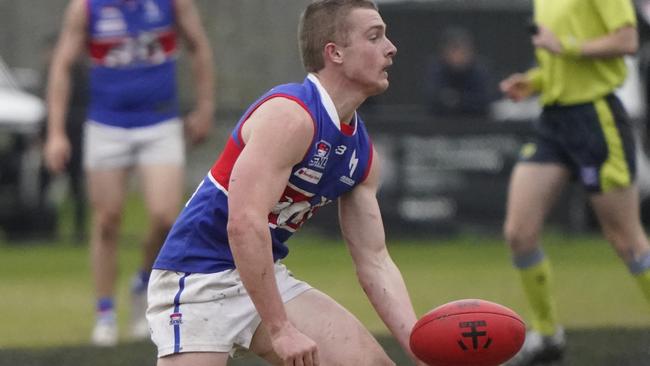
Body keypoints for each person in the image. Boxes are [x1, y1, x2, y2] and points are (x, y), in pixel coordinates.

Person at [146, 1, 426, 365]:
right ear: (335, 53)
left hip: (262, 275)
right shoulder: (290, 116)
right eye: (375, 36)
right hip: (196, 278)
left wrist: (422, 350)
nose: (391, 47)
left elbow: (375, 261)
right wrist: (280, 329)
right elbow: (243, 223)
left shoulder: (360, 151)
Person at [44, 0, 215, 347]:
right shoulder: (86, 8)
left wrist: (205, 106)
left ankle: (142, 283)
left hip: (159, 121)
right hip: (106, 125)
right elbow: (61, 65)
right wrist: (55, 133)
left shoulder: (172, 4)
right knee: (107, 219)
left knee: (165, 216)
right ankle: (105, 312)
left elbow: (199, 48)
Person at [499, 0, 650, 365]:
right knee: (519, 233)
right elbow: (558, 59)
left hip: (596, 117)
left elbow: (627, 41)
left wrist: (564, 46)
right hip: (553, 120)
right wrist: (534, 80)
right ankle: (548, 335)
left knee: (626, 239)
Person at [423, 26, 493, 117]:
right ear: (445, 52)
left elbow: (484, 101)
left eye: (463, 51)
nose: (458, 56)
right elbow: (432, 99)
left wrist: (458, 100)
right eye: (454, 50)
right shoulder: (436, 69)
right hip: (441, 125)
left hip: (475, 124)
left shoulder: (479, 70)